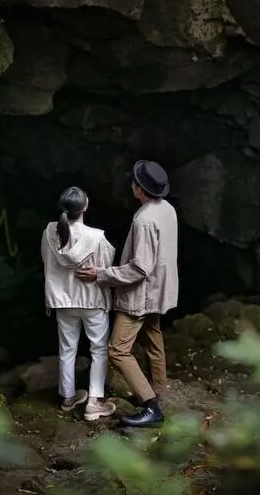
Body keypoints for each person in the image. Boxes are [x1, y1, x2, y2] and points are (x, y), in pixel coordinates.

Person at [77, 160, 178, 428]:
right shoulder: (167, 209)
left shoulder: (144, 219)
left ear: (139, 189)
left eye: (134, 182)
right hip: (160, 290)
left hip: (141, 296)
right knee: (152, 339)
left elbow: (140, 268)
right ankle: (159, 389)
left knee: (117, 350)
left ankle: (150, 407)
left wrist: (102, 275)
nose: (131, 184)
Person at [41, 186, 117, 421]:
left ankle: (68, 397)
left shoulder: (49, 232)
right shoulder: (96, 237)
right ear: (85, 207)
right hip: (91, 300)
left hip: (63, 300)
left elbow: (47, 261)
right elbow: (105, 268)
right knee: (98, 350)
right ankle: (94, 401)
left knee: (67, 349)